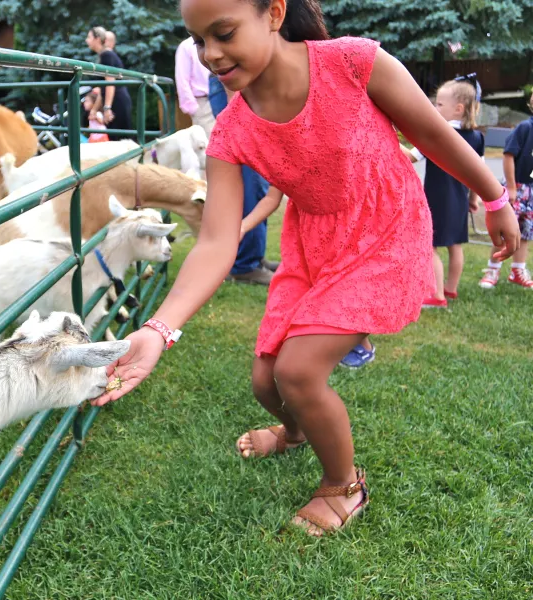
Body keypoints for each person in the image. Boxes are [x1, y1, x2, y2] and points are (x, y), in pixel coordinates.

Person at [93, 0, 519, 536]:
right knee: (266, 382)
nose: (211, 55)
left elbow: (433, 134)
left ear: (273, 13)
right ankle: (294, 434)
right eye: (198, 40)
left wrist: (496, 198)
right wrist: (158, 330)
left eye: (223, 33)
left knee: (298, 371)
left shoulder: (354, 62)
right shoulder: (232, 131)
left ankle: (344, 484)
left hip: (384, 228)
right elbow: (217, 241)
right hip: (313, 244)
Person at [403, 77, 484, 307]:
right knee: (455, 246)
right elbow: (480, 172)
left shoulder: (438, 133)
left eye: (439, 104)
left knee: (430, 246)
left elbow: (411, 156)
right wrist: (474, 199)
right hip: (460, 200)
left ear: (458, 108)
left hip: (437, 199)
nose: (434, 108)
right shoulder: (477, 137)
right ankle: (450, 289)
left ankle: (436, 295)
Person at [209, 72, 277, 285]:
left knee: (256, 181)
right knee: (252, 180)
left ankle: (253, 257)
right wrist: (235, 99)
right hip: (237, 90)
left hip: (241, 88)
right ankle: (245, 265)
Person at [478, 93, 533, 290]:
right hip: (517, 188)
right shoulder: (525, 128)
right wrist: (511, 186)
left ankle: (518, 270)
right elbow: (509, 155)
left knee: (526, 232)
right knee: (506, 231)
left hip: (532, 191)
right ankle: (493, 269)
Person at [86, 26, 133, 140]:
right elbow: (104, 88)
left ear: (97, 39)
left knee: (120, 140)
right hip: (116, 100)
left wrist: (107, 108)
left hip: (117, 101)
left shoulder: (107, 55)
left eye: (89, 37)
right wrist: (95, 109)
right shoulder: (104, 55)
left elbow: (110, 83)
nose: (87, 40)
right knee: (117, 139)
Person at [175, 36, 217, 139]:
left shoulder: (216, 41)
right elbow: (182, 79)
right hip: (203, 104)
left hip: (223, 98)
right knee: (207, 146)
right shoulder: (186, 46)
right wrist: (193, 108)